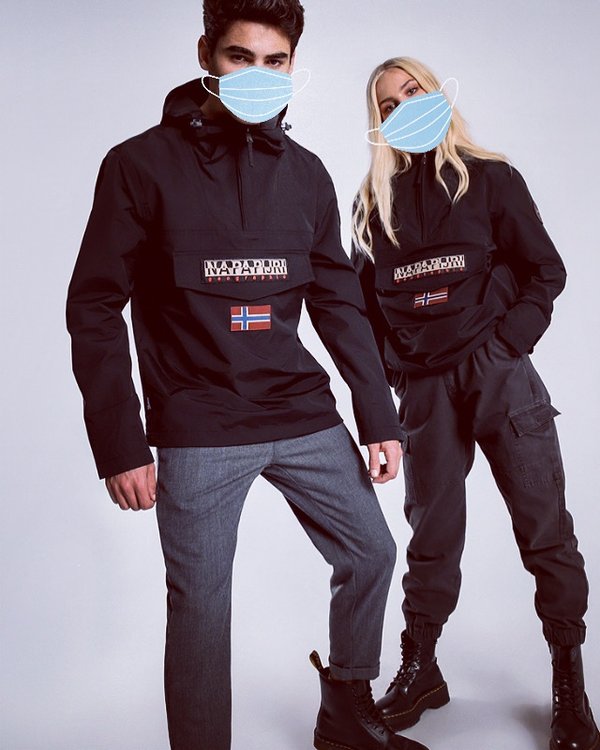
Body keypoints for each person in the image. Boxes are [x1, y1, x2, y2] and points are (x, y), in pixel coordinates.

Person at [66, 4, 431, 750]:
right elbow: (94, 307)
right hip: (199, 423)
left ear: (293, 65)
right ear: (206, 52)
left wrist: (378, 416)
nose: (258, 75)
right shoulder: (138, 165)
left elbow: (338, 302)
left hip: (300, 412)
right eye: (240, 57)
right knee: (201, 607)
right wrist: (120, 442)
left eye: (275, 61)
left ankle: (345, 711)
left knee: (371, 552)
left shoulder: (307, 174)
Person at [351, 56, 598, 750]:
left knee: (544, 529)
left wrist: (507, 343)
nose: (405, 107)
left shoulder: (491, 179)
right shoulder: (372, 204)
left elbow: (546, 271)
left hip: (498, 376)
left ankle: (569, 685)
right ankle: (421, 668)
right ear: (379, 122)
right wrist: (399, 374)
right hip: (425, 391)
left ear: (437, 95)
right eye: (389, 104)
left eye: (414, 92)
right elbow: (361, 308)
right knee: (430, 536)